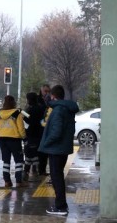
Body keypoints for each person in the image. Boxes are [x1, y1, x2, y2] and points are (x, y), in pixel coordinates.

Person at [38, 85, 79, 216]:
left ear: (53, 96)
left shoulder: (58, 110)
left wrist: (46, 142)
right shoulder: (66, 109)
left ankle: (60, 206)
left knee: (57, 178)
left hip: (56, 149)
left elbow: (56, 132)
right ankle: (61, 205)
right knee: (58, 176)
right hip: (63, 148)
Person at [0, 95, 27, 188]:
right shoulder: (17, 113)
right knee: (18, 161)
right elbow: (21, 128)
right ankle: (19, 181)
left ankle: (7, 181)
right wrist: (24, 137)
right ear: (13, 102)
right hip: (14, 139)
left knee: (6, 161)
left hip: (2, 139)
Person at [22, 92, 45, 182]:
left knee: (29, 153)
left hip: (31, 134)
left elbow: (29, 120)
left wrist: (23, 114)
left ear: (29, 100)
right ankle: (35, 170)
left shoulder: (31, 109)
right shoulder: (40, 108)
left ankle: (26, 171)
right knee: (35, 153)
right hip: (38, 134)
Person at [38, 84, 51, 176]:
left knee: (44, 152)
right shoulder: (38, 100)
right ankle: (39, 169)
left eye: (48, 91)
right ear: (41, 90)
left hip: (45, 128)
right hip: (39, 129)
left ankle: (42, 170)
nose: (46, 93)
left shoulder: (49, 100)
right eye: (45, 91)